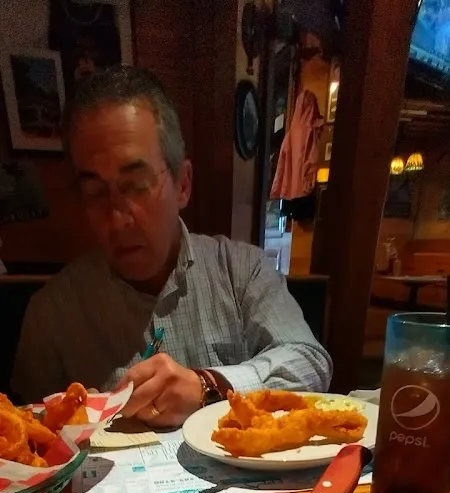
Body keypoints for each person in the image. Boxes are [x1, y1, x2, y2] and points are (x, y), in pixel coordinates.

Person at [12, 66, 332, 428]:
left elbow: (311, 362)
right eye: (95, 192)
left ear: (183, 184)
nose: (118, 220)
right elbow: (28, 432)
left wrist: (208, 384)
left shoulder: (242, 270)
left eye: (136, 184)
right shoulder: (52, 313)